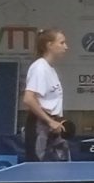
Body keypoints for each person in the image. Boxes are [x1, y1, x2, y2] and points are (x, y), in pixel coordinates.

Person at [21, 28, 71, 162]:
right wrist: (49, 121)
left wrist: (55, 121)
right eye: (62, 43)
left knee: (60, 167)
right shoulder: (39, 68)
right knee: (38, 169)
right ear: (49, 45)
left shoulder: (50, 69)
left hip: (53, 126)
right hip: (39, 126)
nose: (66, 47)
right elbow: (28, 99)